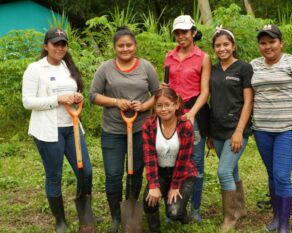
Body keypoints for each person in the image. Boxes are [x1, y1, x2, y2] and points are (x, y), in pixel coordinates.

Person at [22, 28, 95, 233]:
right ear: (46, 46)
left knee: (86, 171)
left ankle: (84, 212)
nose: (60, 47)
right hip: (48, 130)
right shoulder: (35, 69)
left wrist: (76, 96)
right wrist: (57, 99)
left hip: (71, 127)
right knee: (54, 175)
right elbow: (27, 101)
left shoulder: (67, 66)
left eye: (63, 43)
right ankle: (60, 220)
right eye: (56, 43)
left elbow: (74, 90)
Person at [89, 26, 160, 232]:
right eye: (121, 45)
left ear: (135, 46)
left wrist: (144, 106)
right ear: (115, 47)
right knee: (113, 174)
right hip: (112, 130)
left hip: (140, 129)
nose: (125, 49)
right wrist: (116, 102)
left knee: (136, 171)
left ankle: (131, 211)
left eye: (129, 45)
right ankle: (116, 218)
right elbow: (93, 95)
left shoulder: (146, 67)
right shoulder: (106, 68)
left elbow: (157, 93)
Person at [250, 24, 292, 233]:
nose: (267, 46)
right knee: (271, 174)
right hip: (262, 129)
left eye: (272, 42)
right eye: (263, 43)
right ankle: (276, 217)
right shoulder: (254, 65)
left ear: (281, 43)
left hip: (287, 130)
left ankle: (284, 225)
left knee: (282, 175)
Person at [162, 15, 211, 222]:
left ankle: (195, 208)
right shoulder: (169, 56)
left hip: (194, 112)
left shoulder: (203, 57)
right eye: (178, 32)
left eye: (185, 32)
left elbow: (205, 90)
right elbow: (167, 85)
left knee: (196, 161)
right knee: (171, 157)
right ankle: (173, 206)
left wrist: (191, 113)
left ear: (193, 33)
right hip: (172, 113)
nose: (181, 36)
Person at [207, 26, 253, 232]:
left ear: (233, 46)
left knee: (223, 171)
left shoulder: (244, 68)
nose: (222, 48)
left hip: (237, 129)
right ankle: (240, 209)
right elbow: (209, 98)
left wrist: (239, 131)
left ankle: (230, 217)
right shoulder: (213, 70)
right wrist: (208, 132)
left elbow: (248, 102)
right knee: (232, 170)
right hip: (216, 129)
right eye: (218, 45)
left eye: (226, 44)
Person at [142, 87, 197, 232]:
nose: (163, 109)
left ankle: (184, 215)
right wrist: (153, 185)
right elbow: (149, 157)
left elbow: (184, 160)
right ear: (154, 107)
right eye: (159, 105)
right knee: (149, 202)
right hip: (160, 172)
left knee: (173, 212)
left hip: (184, 174)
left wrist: (175, 185)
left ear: (176, 105)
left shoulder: (185, 126)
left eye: (167, 104)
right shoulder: (149, 125)